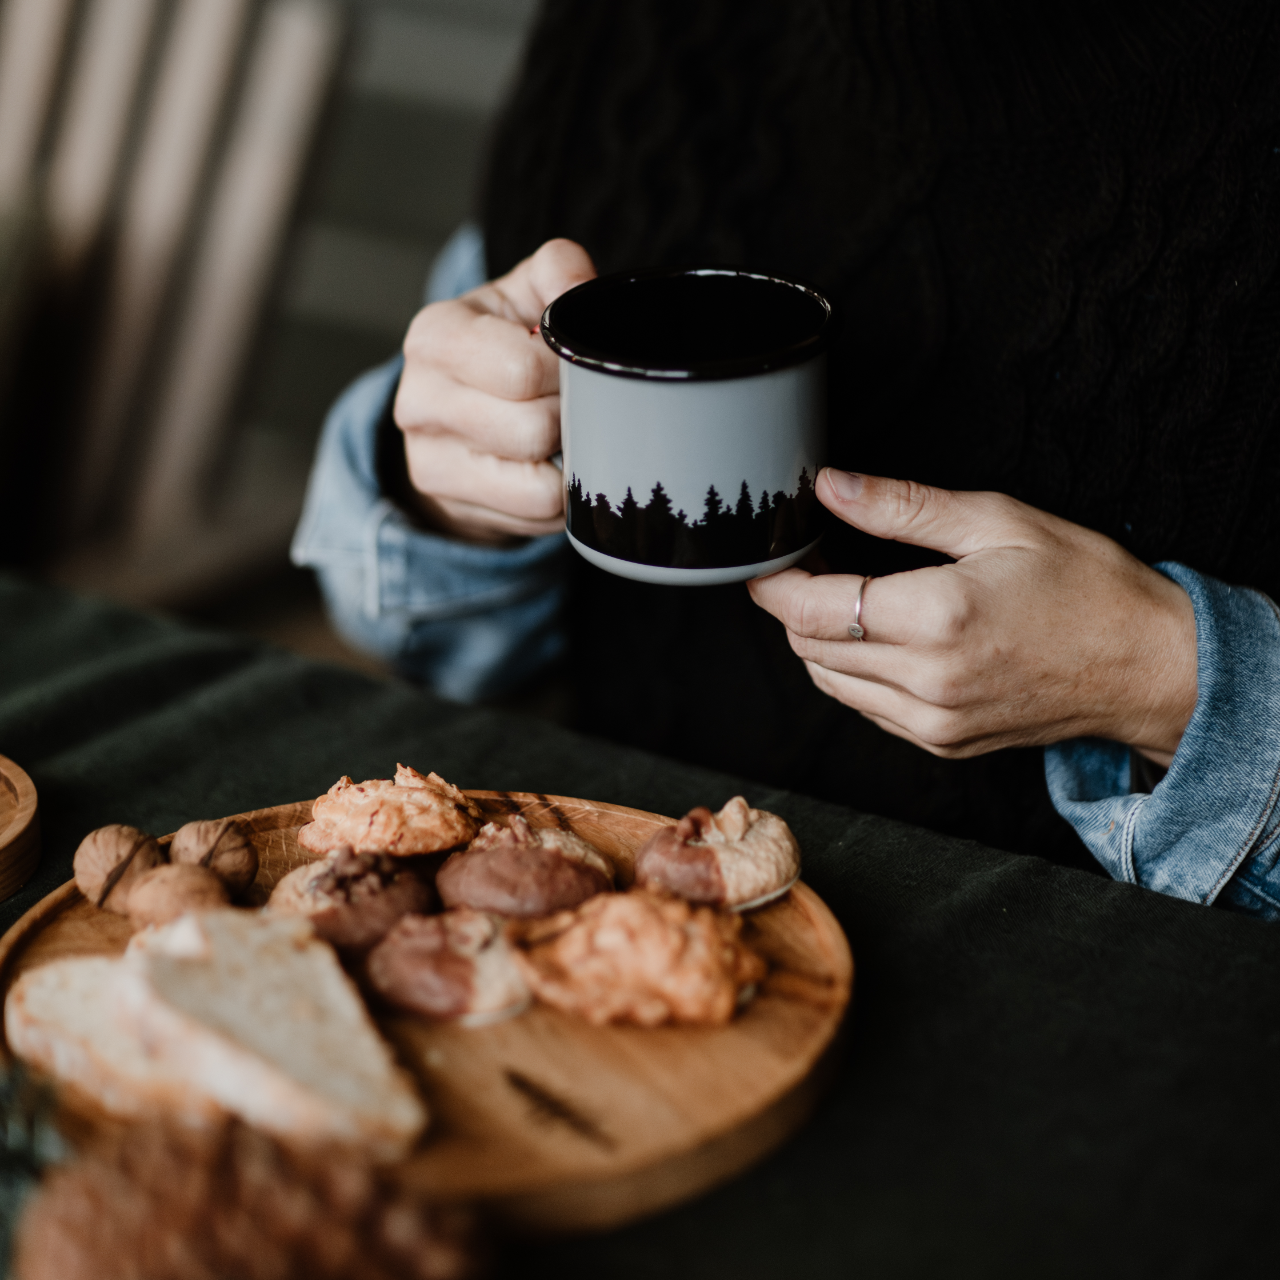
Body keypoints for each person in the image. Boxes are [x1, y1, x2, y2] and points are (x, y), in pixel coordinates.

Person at [294, 0, 1280, 918]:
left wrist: (1159, 677)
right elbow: (398, 612)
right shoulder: (625, 36)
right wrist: (453, 490)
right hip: (607, 888)